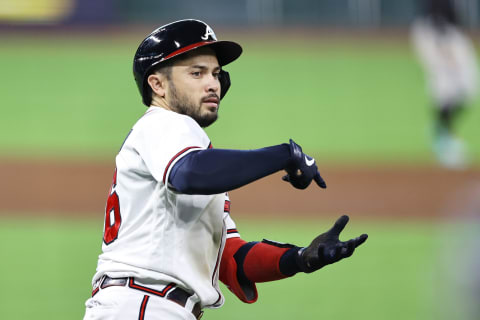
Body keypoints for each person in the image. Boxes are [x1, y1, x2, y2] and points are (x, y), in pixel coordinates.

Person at [83, 19, 368, 320]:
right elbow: (189, 173)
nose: (213, 84)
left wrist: (300, 258)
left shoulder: (186, 150)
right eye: (197, 73)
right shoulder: (162, 123)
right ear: (158, 84)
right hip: (144, 305)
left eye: (216, 74)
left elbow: (233, 258)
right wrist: (283, 155)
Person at [411, 0, 478, 168]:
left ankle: (441, 131)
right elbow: (435, 11)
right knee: (445, 87)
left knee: (468, 88)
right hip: (435, 34)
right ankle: (444, 141)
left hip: (450, 34)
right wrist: (442, 46)